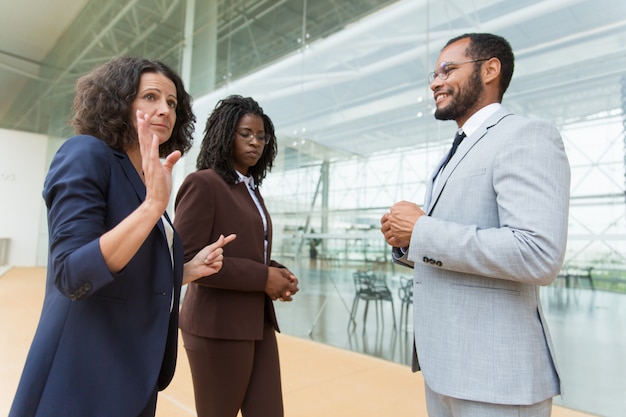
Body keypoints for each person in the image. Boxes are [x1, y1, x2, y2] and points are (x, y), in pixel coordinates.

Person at [9, 56, 235, 417]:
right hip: (83, 373)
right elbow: (72, 276)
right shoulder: (86, 153)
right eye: (150, 97)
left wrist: (187, 270)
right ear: (118, 102)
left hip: (133, 372)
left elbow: (130, 265)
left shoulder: (145, 180)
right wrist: (152, 207)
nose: (164, 109)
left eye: (172, 103)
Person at [380, 33, 570, 417]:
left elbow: (537, 254)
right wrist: (407, 242)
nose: (435, 81)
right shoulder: (457, 149)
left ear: (490, 70)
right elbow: (453, 247)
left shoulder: (525, 135)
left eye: (447, 69)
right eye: (433, 74)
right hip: (445, 369)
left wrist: (422, 231)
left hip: (496, 380)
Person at [173, 94, 299, 417]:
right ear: (225, 133)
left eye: (261, 136)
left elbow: (245, 249)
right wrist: (262, 278)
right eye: (245, 133)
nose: (255, 142)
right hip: (216, 326)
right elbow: (187, 259)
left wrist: (276, 273)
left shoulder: (251, 188)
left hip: (257, 323)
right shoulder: (203, 184)